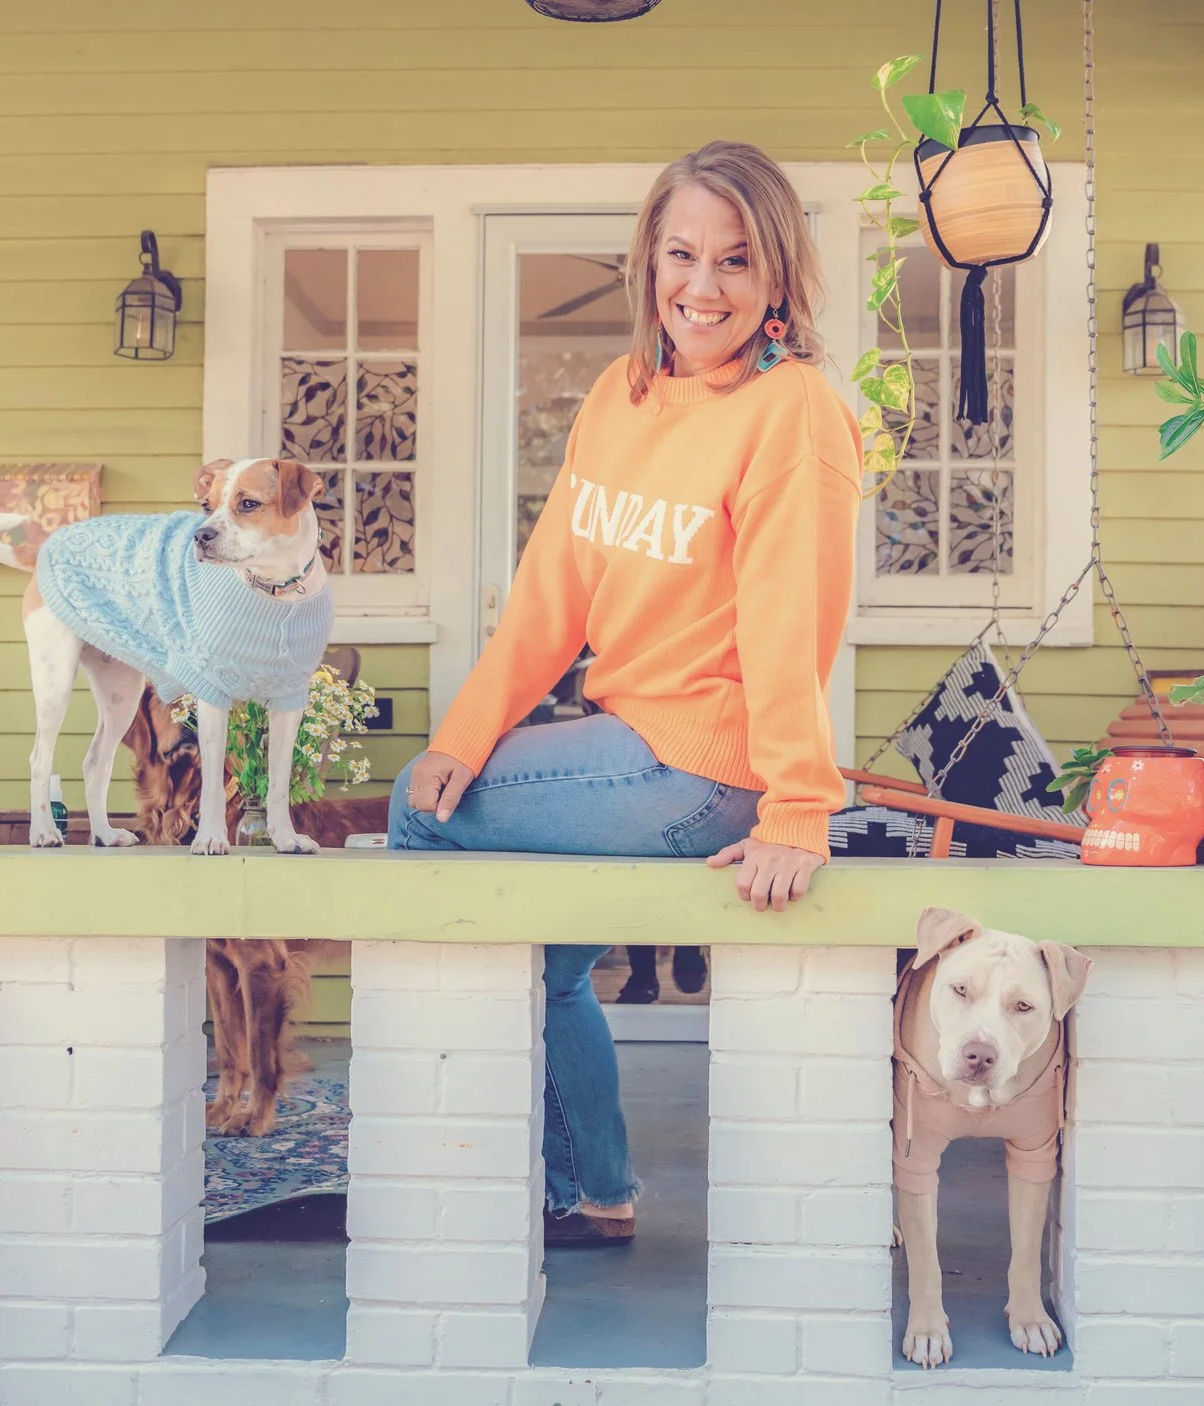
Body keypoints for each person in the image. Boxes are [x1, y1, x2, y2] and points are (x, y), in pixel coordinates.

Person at [387, 139, 860, 1245]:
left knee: (416, 810)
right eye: (682, 254)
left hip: (699, 766)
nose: (704, 286)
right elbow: (551, 592)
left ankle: (427, 1134)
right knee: (550, 961)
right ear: (649, 260)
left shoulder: (791, 410)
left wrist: (800, 810)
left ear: (778, 276)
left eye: (737, 261)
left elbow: (791, 621)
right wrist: (466, 733)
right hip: (629, 742)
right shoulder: (621, 394)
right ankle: (594, 1191)